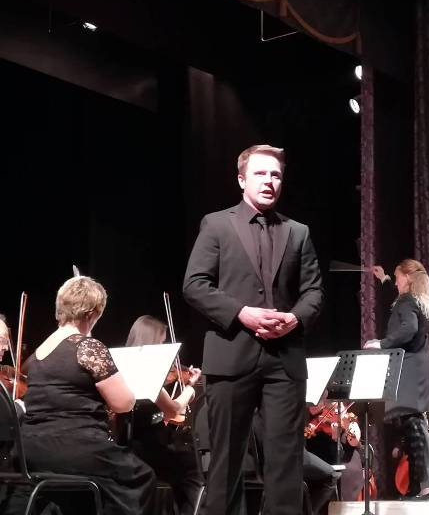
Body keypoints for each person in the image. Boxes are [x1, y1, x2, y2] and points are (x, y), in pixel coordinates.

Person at [183, 144, 323, 515]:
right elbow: (194, 284)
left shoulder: (298, 232)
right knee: (226, 463)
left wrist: (294, 318)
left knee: (286, 465)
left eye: (276, 174)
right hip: (231, 355)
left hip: (284, 361)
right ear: (242, 180)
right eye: (260, 173)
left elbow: (313, 292)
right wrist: (241, 313)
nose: (269, 181)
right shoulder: (217, 224)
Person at [6, 276, 155, 515]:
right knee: (140, 477)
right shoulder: (88, 346)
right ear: (93, 313)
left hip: (31, 450)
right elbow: (124, 403)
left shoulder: (39, 351)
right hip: (73, 448)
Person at [364, 259, 429, 499]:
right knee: (412, 422)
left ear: (408, 278)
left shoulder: (407, 301)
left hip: (410, 368)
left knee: (414, 422)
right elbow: (403, 305)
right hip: (416, 367)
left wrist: (382, 344)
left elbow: (408, 329)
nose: (396, 281)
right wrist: (384, 279)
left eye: (398, 277)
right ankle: (421, 484)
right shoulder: (413, 299)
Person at [121, 315, 204, 515]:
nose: (163, 347)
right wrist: (190, 389)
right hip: (147, 449)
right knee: (193, 471)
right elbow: (173, 409)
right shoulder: (147, 371)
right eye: (161, 342)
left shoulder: (121, 365)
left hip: (126, 446)